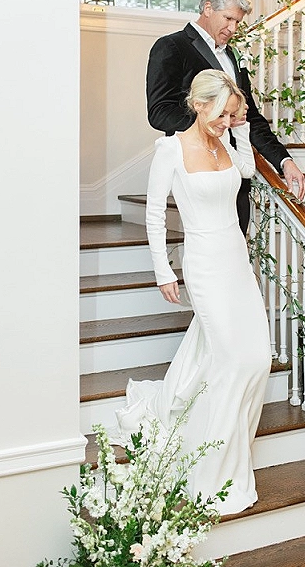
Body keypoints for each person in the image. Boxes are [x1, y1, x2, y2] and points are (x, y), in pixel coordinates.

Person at [114, 70, 272, 515]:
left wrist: (239, 132)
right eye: (222, 113)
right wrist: (163, 270)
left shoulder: (223, 142)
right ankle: (213, 473)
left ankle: (227, 448)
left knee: (257, 358)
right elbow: (154, 216)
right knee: (230, 359)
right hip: (202, 262)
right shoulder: (169, 149)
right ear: (199, 104)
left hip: (236, 261)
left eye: (231, 115)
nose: (226, 121)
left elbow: (246, 171)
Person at [146, 0, 305, 233]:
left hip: (235, 171)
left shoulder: (232, 55)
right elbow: (159, 112)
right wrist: (216, 122)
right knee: (205, 246)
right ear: (208, 8)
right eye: (228, 19)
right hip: (197, 169)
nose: (233, 28)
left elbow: (250, 117)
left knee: (236, 239)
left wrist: (284, 161)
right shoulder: (171, 46)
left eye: (238, 22)